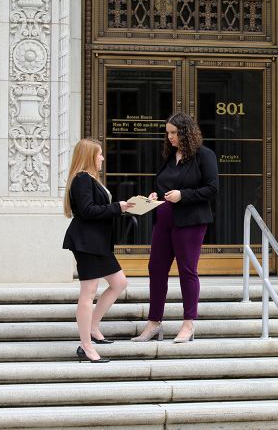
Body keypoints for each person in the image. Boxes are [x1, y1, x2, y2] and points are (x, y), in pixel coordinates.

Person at [132, 113, 219, 343]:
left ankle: (189, 323)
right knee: (156, 269)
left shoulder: (204, 156)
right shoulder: (169, 156)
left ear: (186, 132)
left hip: (190, 221)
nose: (170, 137)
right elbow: (162, 186)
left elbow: (212, 188)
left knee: (187, 270)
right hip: (164, 219)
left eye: (174, 132)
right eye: (168, 132)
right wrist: (154, 195)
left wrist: (184, 195)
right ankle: (153, 323)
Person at [63, 138, 133, 363]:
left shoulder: (90, 179)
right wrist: (118, 207)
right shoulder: (82, 179)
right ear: (89, 156)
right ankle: (85, 345)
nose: (102, 158)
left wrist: (127, 206)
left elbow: (99, 209)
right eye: (100, 154)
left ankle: (93, 326)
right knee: (88, 293)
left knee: (119, 283)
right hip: (87, 243)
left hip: (97, 243)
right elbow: (88, 210)